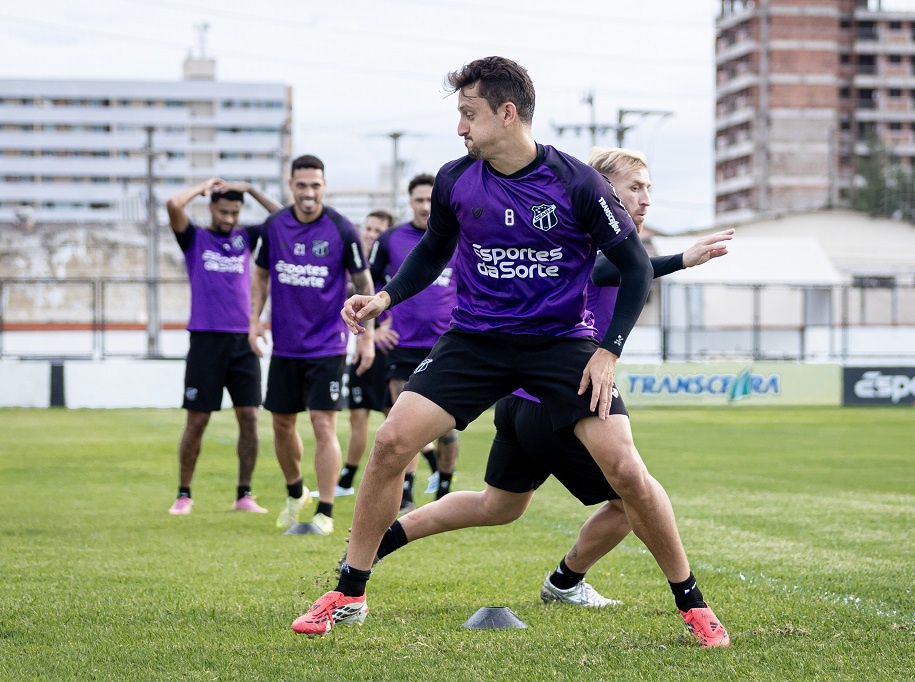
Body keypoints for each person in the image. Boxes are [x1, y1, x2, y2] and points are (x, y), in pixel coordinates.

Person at [292, 56, 730, 648]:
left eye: (468, 115)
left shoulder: (577, 183)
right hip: (475, 340)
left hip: (559, 344)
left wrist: (608, 352)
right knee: (393, 441)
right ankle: (349, 591)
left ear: (506, 112)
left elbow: (631, 267)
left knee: (625, 469)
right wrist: (385, 297)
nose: (460, 128)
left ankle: (692, 604)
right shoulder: (455, 180)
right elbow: (433, 252)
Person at [249, 155, 375, 536]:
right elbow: (260, 275)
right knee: (281, 423)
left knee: (323, 422)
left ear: (324, 186)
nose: (308, 192)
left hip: (328, 345)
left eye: (315, 185)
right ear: (291, 186)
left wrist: (365, 338)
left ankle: (324, 511)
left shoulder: (341, 228)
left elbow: (364, 285)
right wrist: (254, 320)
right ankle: (295, 493)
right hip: (285, 346)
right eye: (301, 185)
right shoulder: (273, 227)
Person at [165, 177, 281, 516]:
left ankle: (244, 494)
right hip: (205, 340)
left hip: (243, 340)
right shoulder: (195, 238)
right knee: (198, 420)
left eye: (235, 211)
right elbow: (173, 204)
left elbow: (282, 218)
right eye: (223, 211)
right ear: (211, 207)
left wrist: (251, 190)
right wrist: (202, 186)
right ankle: (184, 494)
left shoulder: (246, 238)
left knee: (249, 416)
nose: (229, 218)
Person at [336, 209, 442, 500]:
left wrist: (381, 329)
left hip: (391, 350)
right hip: (367, 346)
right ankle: (347, 478)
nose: (370, 234)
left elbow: (400, 300)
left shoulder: (403, 261)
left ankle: (416, 481)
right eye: (367, 228)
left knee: (398, 419)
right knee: (358, 414)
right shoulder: (359, 263)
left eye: (376, 230)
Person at [371, 173, 459, 513]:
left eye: (430, 200)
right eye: (419, 200)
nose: (425, 206)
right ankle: (406, 496)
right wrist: (377, 327)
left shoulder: (459, 236)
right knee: (402, 422)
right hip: (403, 344)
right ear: (410, 201)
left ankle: (445, 494)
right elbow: (370, 279)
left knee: (449, 427)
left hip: (447, 345)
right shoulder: (391, 238)